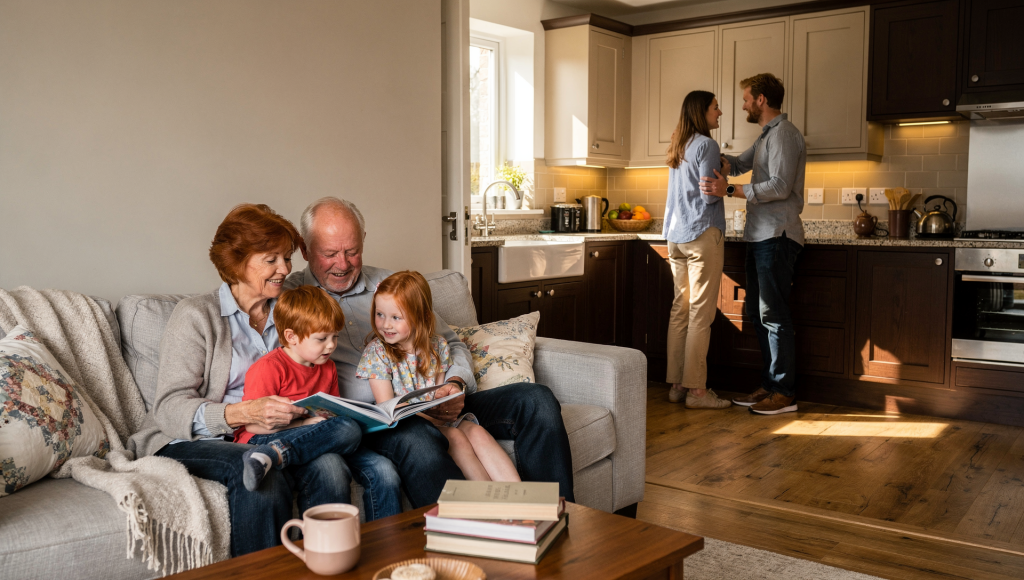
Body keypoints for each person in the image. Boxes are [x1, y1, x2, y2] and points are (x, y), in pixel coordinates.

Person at [128, 203, 401, 557]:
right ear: (236, 262)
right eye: (271, 260)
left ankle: (323, 567)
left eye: (286, 258)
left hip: (283, 432)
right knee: (255, 472)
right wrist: (243, 413)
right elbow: (169, 408)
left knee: (332, 466)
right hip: (197, 437)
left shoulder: (292, 310)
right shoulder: (197, 316)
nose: (285, 269)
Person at [284, 197, 574, 506]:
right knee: (420, 440)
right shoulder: (291, 301)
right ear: (304, 249)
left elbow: (451, 343)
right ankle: (470, 536)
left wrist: (455, 385)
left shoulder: (391, 285)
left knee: (536, 400)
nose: (342, 264)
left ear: (363, 242)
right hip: (379, 423)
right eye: (329, 254)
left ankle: (555, 518)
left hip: (436, 397)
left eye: (352, 251)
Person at [699, 72, 806, 416]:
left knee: (773, 315)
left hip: (778, 236)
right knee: (759, 315)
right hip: (760, 236)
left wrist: (729, 189)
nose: (743, 104)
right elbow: (741, 164)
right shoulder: (767, 136)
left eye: (746, 98)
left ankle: (784, 392)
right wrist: (711, 153)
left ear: (761, 100)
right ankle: (770, 385)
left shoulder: (785, 135)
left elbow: (779, 187)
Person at [358, 271, 521, 482]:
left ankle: (519, 500)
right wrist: (435, 417)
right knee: (455, 438)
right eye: (380, 314)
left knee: (478, 433)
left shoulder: (438, 346)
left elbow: (438, 396)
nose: (386, 324)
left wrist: (445, 403)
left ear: (422, 317)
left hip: (437, 419)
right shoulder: (377, 353)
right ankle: (487, 504)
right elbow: (389, 410)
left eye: (395, 317)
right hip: (408, 426)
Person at [237, 286, 363, 492]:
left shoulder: (328, 366)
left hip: (310, 434)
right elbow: (252, 426)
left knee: (350, 431)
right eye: (322, 339)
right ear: (291, 336)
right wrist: (304, 424)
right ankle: (268, 453)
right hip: (260, 438)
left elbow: (333, 415)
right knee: (348, 429)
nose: (331, 346)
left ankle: (274, 454)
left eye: (335, 337)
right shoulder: (270, 367)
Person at [662, 90, 730, 410]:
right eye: (715, 108)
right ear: (701, 112)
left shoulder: (680, 143)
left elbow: (676, 195)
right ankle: (698, 392)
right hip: (703, 234)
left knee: (680, 311)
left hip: (676, 236)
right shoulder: (707, 145)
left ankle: (677, 385)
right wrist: (725, 176)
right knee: (701, 315)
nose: (720, 112)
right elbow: (709, 196)